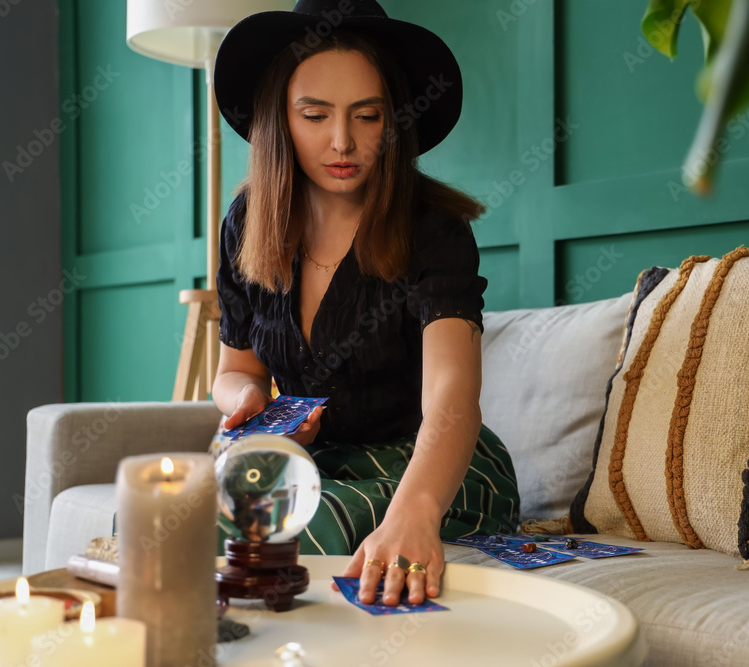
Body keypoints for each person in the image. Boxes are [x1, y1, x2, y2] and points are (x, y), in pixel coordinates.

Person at [210, 0, 520, 608]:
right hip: (318, 460)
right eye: (315, 114)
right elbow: (236, 370)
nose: (342, 141)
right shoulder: (247, 222)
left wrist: (418, 511)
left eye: (368, 115)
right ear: (281, 120)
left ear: (394, 122)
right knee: (157, 521)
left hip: (431, 464)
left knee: (292, 533)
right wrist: (250, 405)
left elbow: (452, 399)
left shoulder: (433, 229)